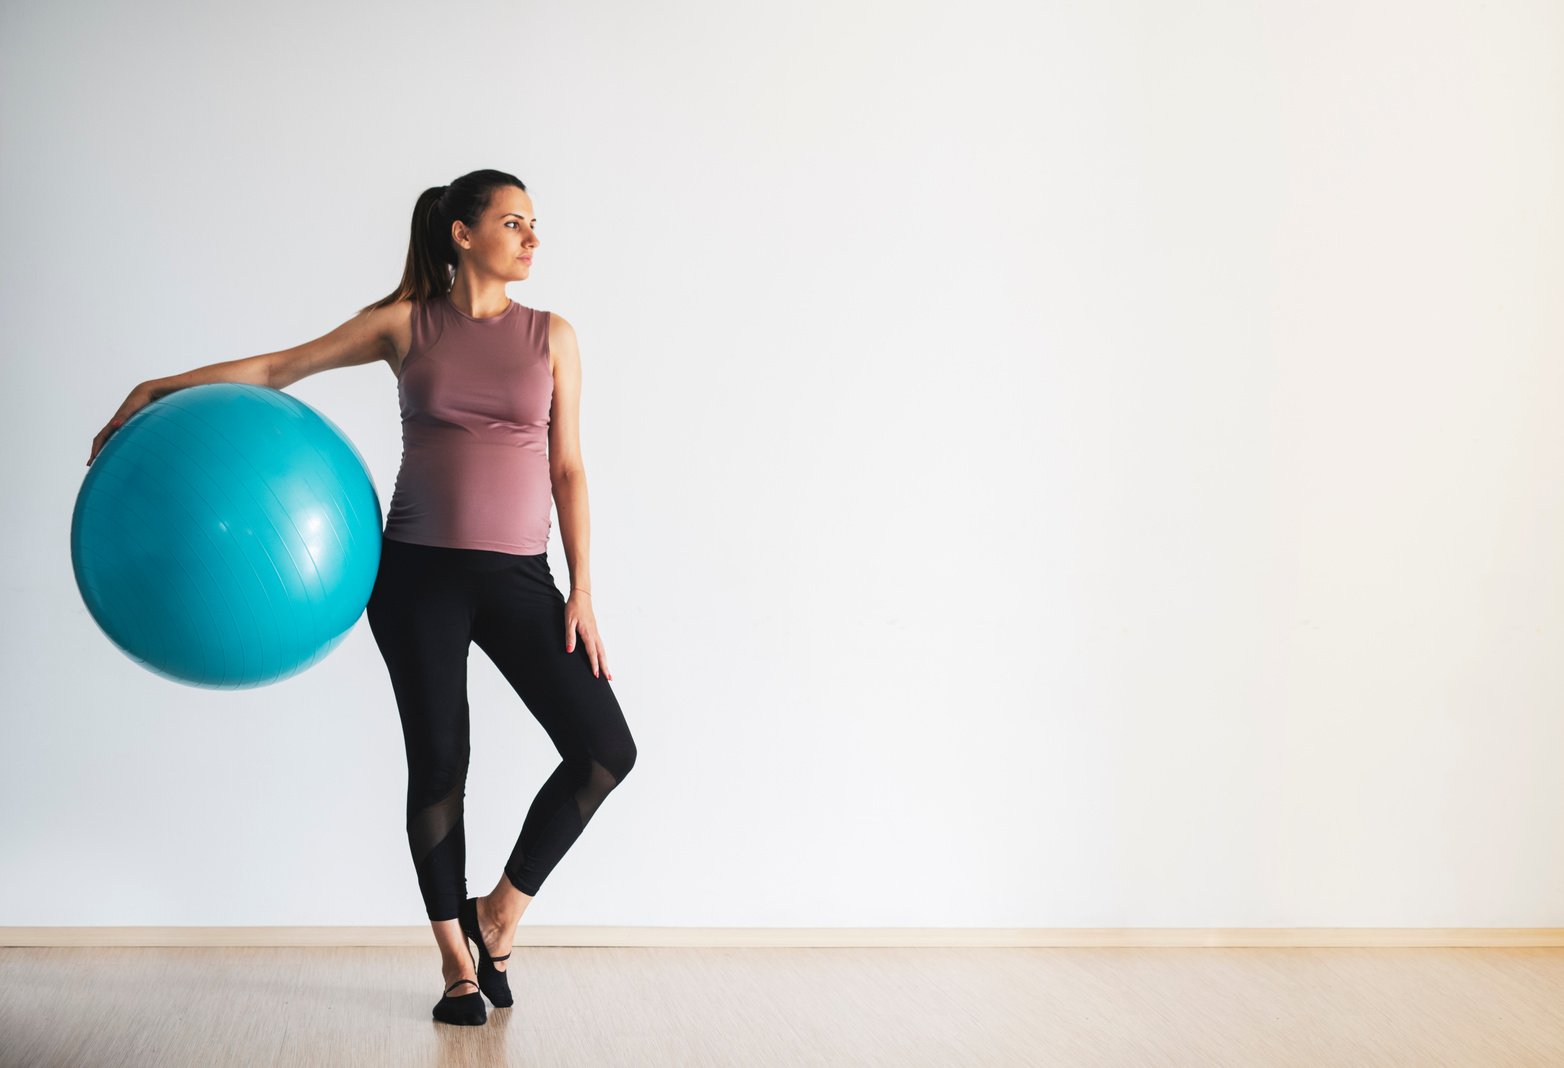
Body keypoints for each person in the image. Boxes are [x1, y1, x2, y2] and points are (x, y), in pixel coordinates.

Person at [87, 169, 638, 1027]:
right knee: (440, 767)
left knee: (605, 749)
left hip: (522, 576)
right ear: (462, 233)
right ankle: (457, 963)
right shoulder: (405, 325)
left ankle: (500, 915)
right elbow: (280, 366)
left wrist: (584, 590)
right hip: (417, 576)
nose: (533, 237)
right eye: (514, 222)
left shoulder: (553, 336)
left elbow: (568, 467)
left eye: (536, 224)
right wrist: (163, 387)